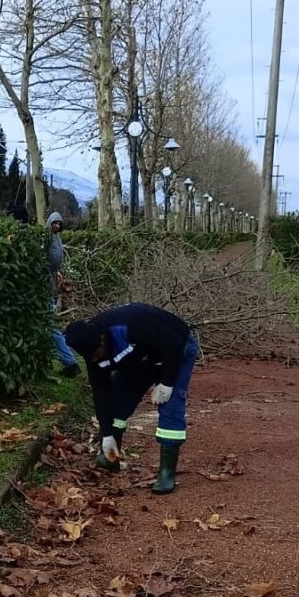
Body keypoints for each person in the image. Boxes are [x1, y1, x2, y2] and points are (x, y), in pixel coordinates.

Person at [64, 303, 197, 494]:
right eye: (89, 357)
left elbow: (172, 342)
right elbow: (101, 392)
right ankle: (111, 455)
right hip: (143, 358)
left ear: (102, 340)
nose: (94, 360)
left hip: (176, 348)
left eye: (96, 354)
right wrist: (106, 433)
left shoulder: (134, 323)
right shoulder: (92, 353)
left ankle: (166, 473)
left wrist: (167, 383)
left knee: (171, 405)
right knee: (117, 399)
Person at [46, 211, 79, 379]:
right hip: (47, 285)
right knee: (48, 325)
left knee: (48, 325)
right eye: (55, 223)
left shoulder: (55, 239)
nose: (57, 226)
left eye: (59, 224)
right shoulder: (48, 238)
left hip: (46, 287)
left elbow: (54, 261)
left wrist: (56, 273)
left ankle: (70, 362)